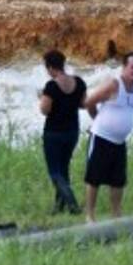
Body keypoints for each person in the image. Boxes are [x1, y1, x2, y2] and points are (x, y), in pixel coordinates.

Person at [83, 51, 133, 223]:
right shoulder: (113, 84)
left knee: (118, 181)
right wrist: (97, 120)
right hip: (102, 137)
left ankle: (116, 215)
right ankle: (90, 216)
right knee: (93, 178)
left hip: (119, 142)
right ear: (124, 67)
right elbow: (89, 102)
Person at [38, 49, 86, 214]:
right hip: (72, 131)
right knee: (64, 168)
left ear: (51, 68)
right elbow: (82, 104)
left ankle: (72, 204)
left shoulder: (51, 86)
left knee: (54, 171)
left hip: (53, 133)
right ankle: (58, 207)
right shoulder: (79, 82)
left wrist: (41, 97)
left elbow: (44, 110)